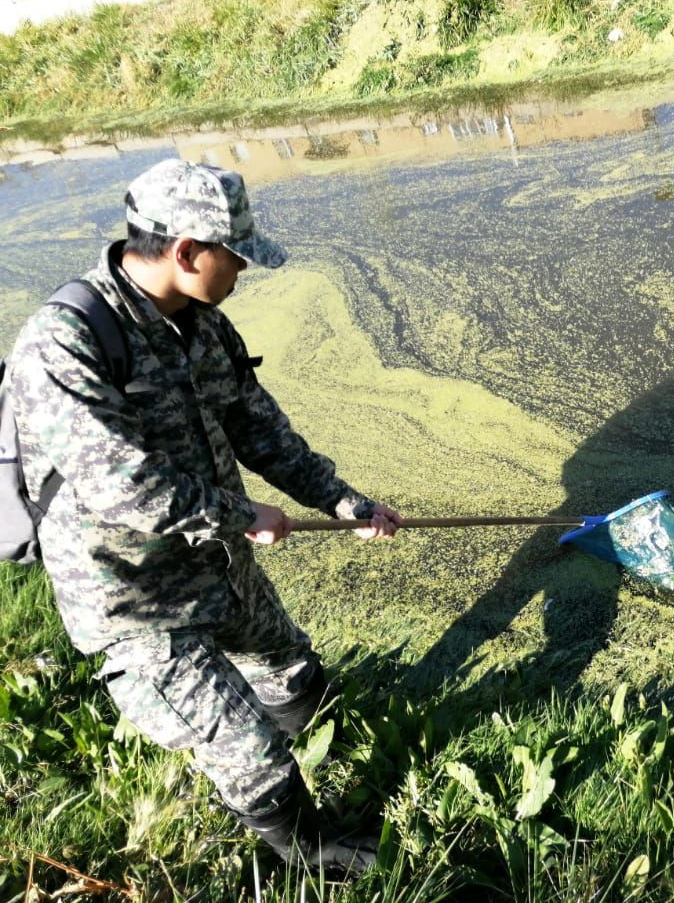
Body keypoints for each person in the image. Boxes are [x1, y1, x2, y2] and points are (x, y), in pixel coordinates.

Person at [5, 159, 403, 876]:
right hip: (134, 597)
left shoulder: (203, 324)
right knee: (247, 750)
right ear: (186, 252)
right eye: (236, 256)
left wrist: (344, 503)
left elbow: (260, 431)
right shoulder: (66, 343)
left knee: (292, 671)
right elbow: (121, 486)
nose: (244, 271)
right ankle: (307, 852)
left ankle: (338, 755)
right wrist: (240, 511)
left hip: (218, 562)